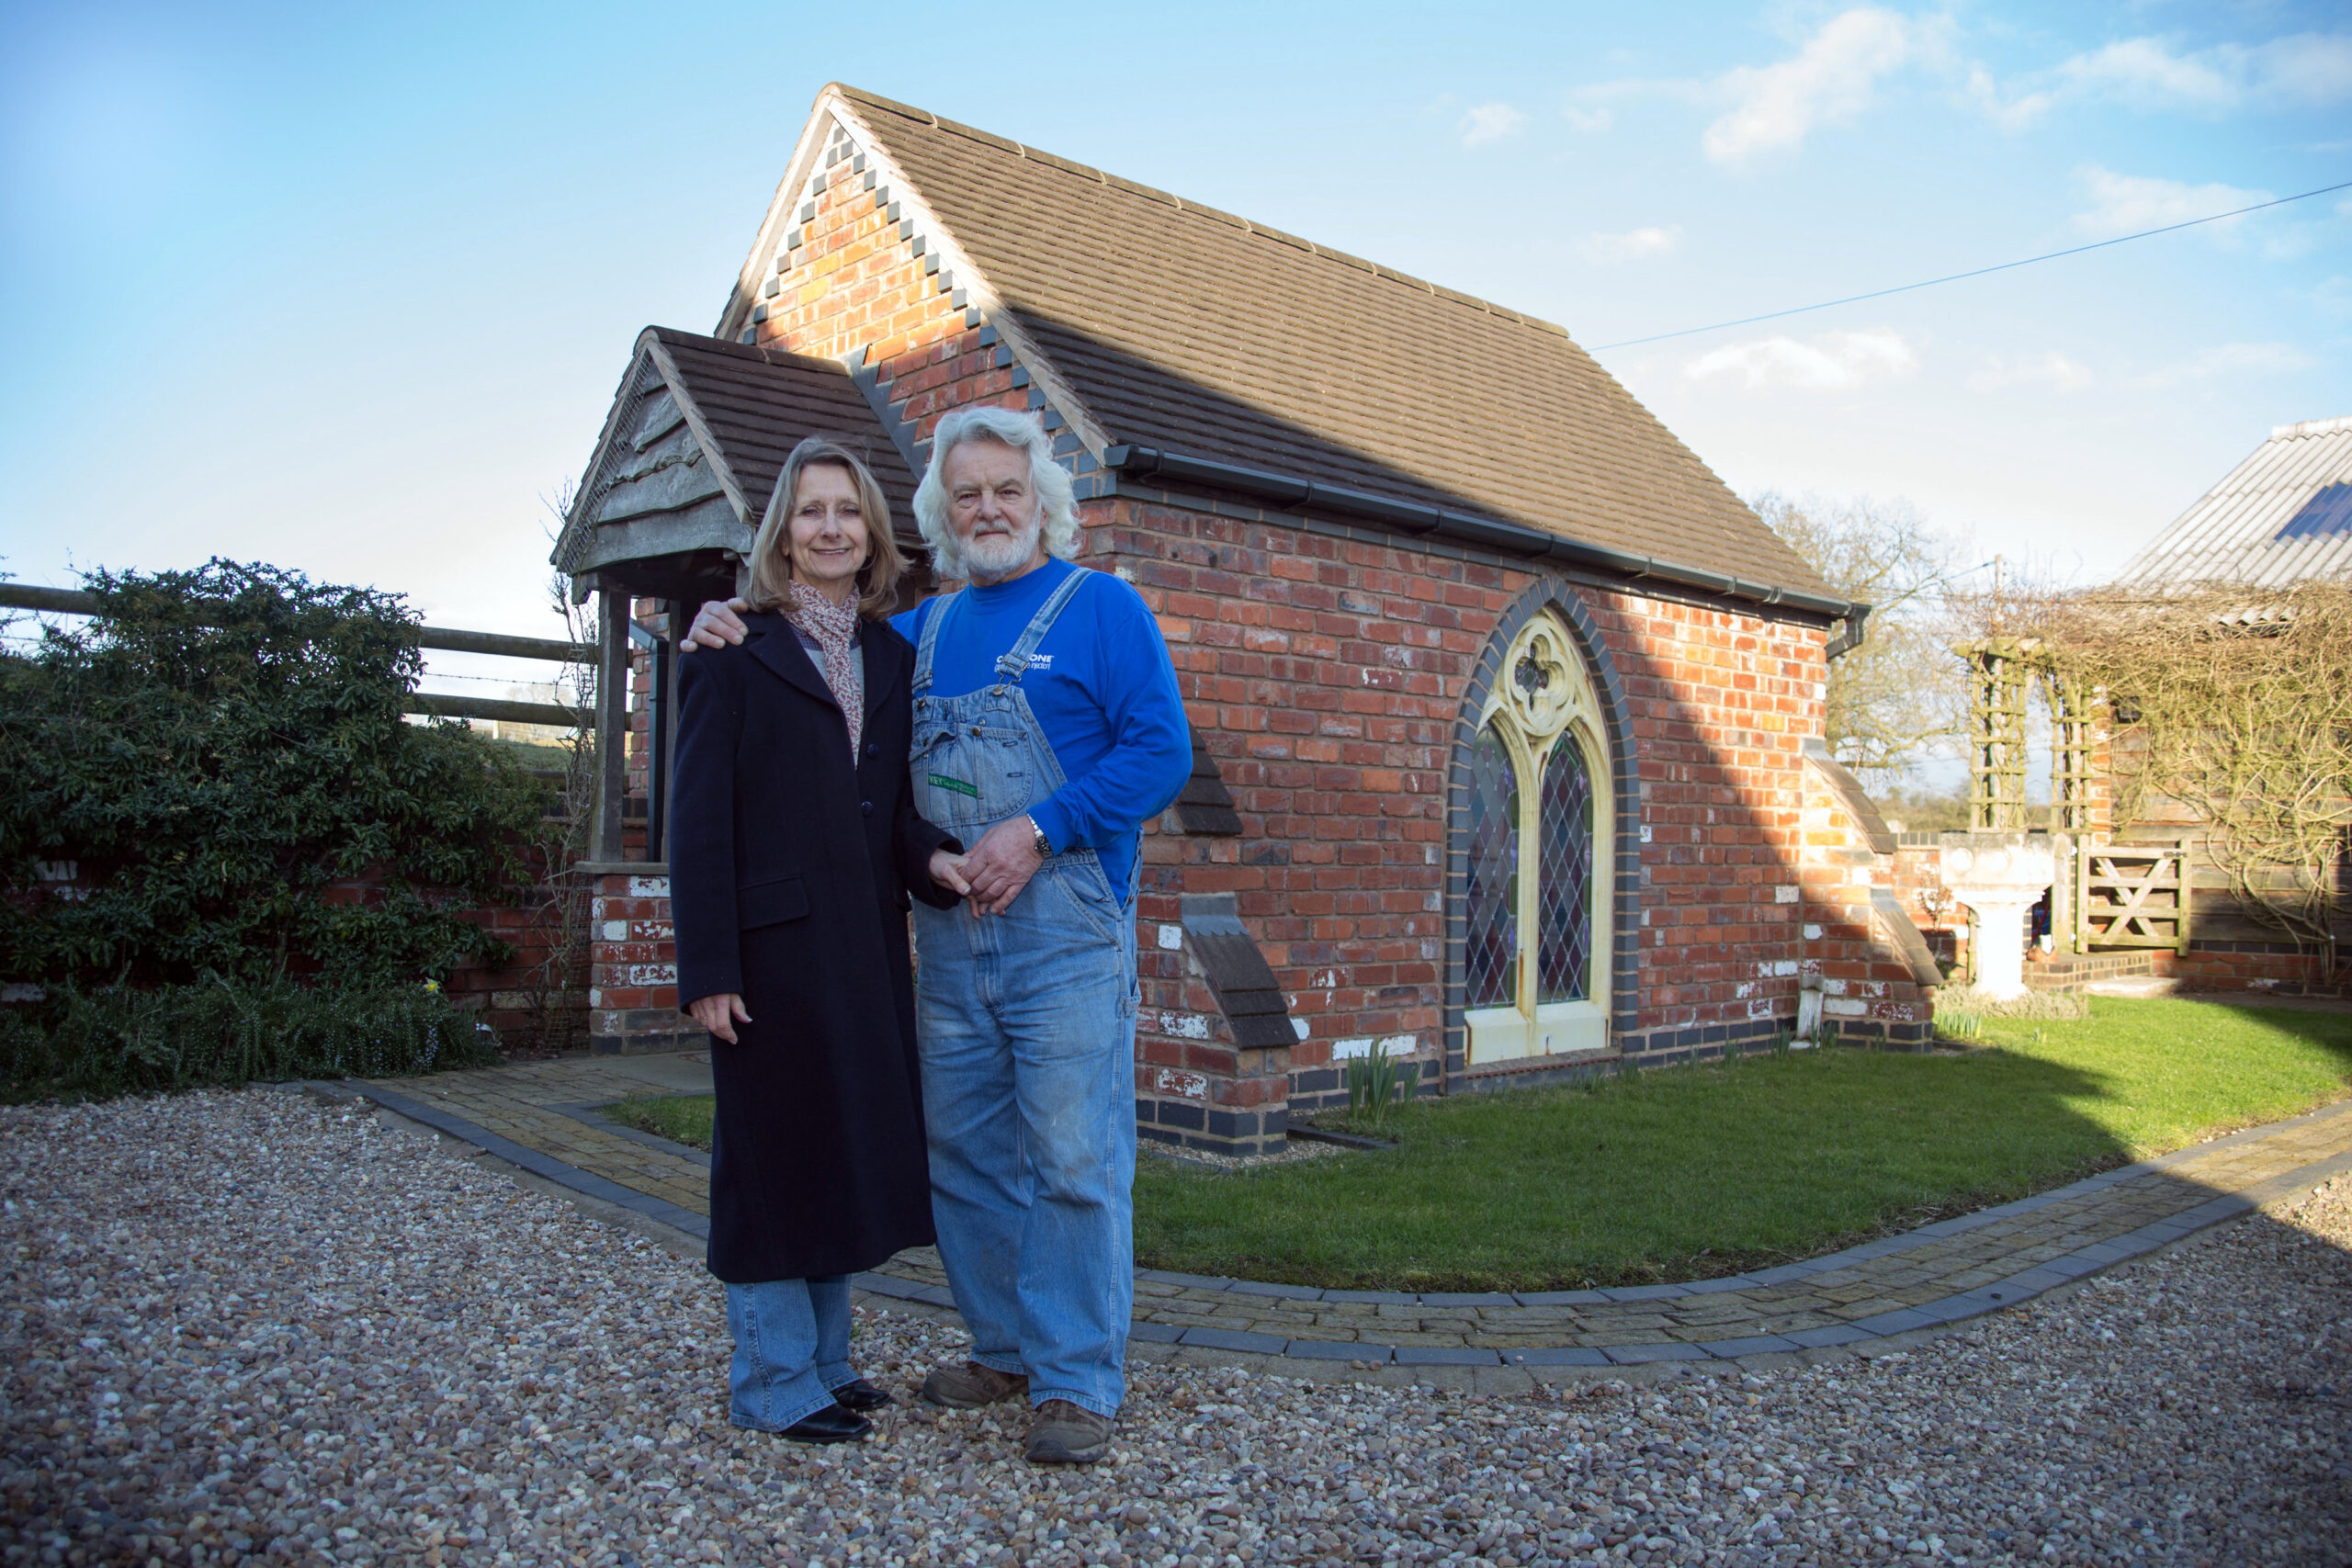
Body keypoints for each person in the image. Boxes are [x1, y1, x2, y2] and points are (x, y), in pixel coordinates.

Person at [684, 407, 1191, 1464]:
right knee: (960, 1158)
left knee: (1072, 1160)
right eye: (967, 495)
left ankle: (1074, 1380)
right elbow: (809, 682)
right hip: (951, 944)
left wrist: (1041, 827)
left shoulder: (1102, 610)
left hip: (1063, 942)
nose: (989, 509)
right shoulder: (918, 634)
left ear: (1042, 500)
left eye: (1008, 489)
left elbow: (1160, 756)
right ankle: (1004, 1344)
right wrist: (722, 621)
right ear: (939, 515)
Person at [669, 435, 970, 1445]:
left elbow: (888, 813)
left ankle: (827, 1363)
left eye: (847, 510)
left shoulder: (891, 654)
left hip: (864, 947)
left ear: (872, 532)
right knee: (772, 1160)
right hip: (765, 958)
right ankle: (770, 1381)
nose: (831, 527)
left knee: (840, 1147)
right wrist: (706, 966)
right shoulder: (731, 646)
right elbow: (698, 821)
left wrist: (934, 859)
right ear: (783, 534)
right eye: (810, 511)